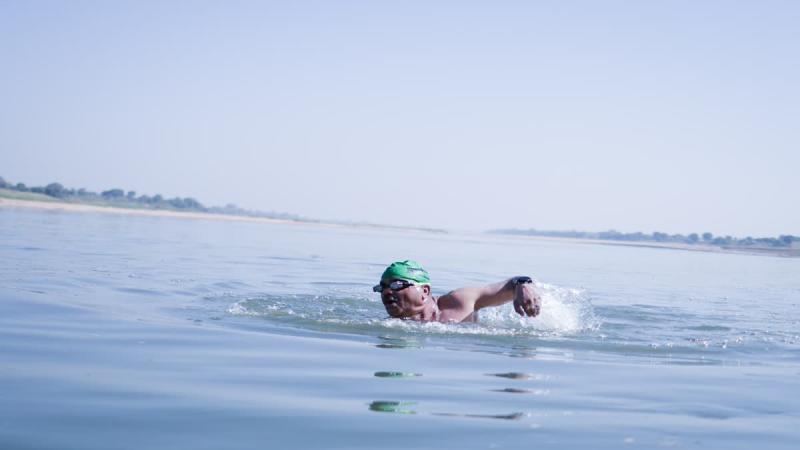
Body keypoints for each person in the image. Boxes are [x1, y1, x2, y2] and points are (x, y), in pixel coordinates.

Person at [373, 260, 541, 323]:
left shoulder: (459, 301)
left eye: (396, 285)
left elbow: (510, 285)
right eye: (382, 287)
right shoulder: (388, 325)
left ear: (425, 291)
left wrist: (522, 284)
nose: (386, 292)